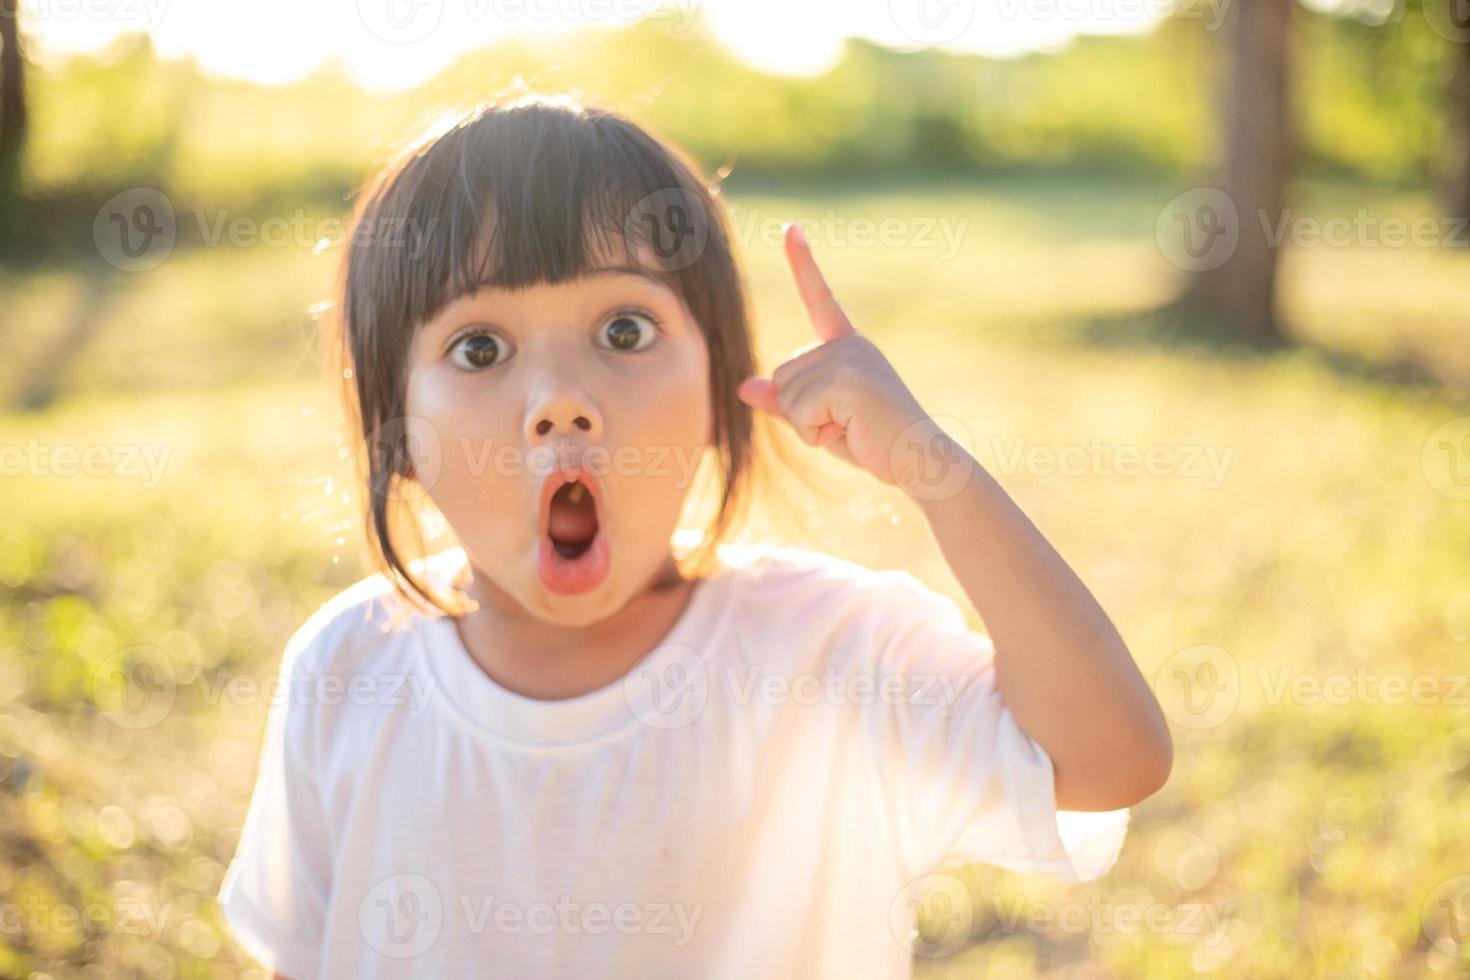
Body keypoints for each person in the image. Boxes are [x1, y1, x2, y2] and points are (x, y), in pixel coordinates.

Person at [216, 91, 1172, 979]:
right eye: (480, 348)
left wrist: (936, 468)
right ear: (399, 431)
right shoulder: (344, 670)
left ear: (722, 393)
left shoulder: (826, 655)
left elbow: (1110, 760)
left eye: (624, 331)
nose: (560, 403)